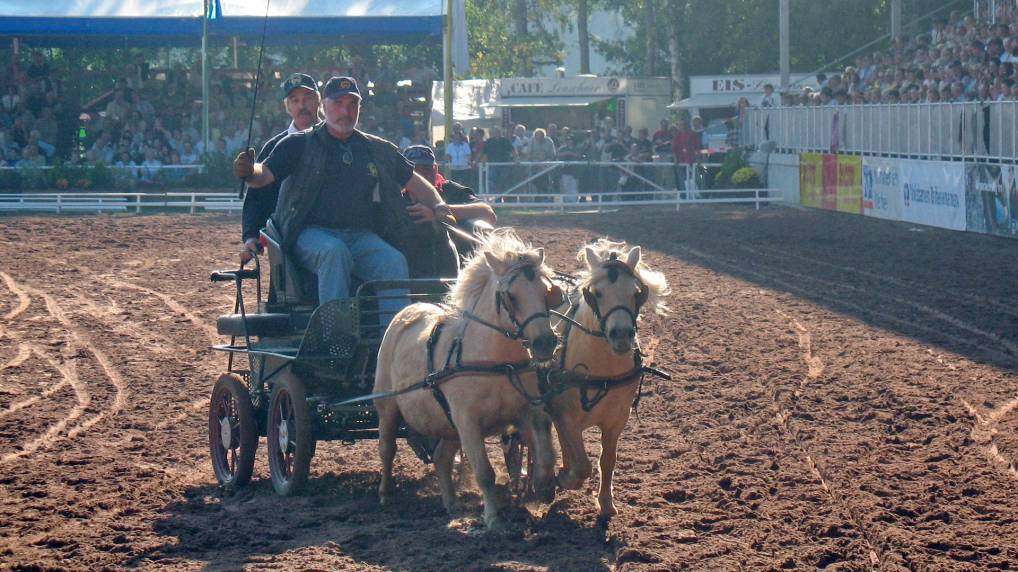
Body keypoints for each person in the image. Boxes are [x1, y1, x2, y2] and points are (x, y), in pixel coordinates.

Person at [233, 76, 452, 327]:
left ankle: (394, 340)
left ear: (360, 108)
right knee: (334, 253)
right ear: (324, 106)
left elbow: (414, 181)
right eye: (338, 104)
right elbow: (265, 176)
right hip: (309, 235)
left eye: (352, 104)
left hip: (359, 236)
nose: (345, 111)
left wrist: (439, 208)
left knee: (392, 261)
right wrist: (249, 172)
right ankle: (336, 336)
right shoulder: (298, 144)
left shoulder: (375, 148)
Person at [239, 73, 322, 263]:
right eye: (295, 100)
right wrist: (250, 236)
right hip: (285, 238)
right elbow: (255, 197)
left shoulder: (337, 140)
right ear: (288, 107)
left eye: (307, 99)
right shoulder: (274, 147)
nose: (302, 106)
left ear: (318, 102)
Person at [403, 144, 496, 261]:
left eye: (426, 170)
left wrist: (437, 211)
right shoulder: (394, 193)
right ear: (404, 173)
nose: (421, 176)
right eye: (415, 172)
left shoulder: (452, 190)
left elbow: (488, 212)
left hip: (452, 255)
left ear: (435, 169)